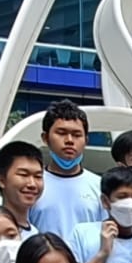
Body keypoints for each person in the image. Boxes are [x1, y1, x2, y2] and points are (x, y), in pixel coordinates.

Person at [32, 99, 102, 239]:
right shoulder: (32, 185)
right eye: (61, 133)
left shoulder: (100, 186)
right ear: (45, 138)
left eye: (77, 135)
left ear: (86, 141)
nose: (69, 140)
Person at [0, 141, 43, 238]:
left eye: (38, 176)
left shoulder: (36, 235)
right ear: (2, 180)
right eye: (24, 175)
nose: (32, 184)